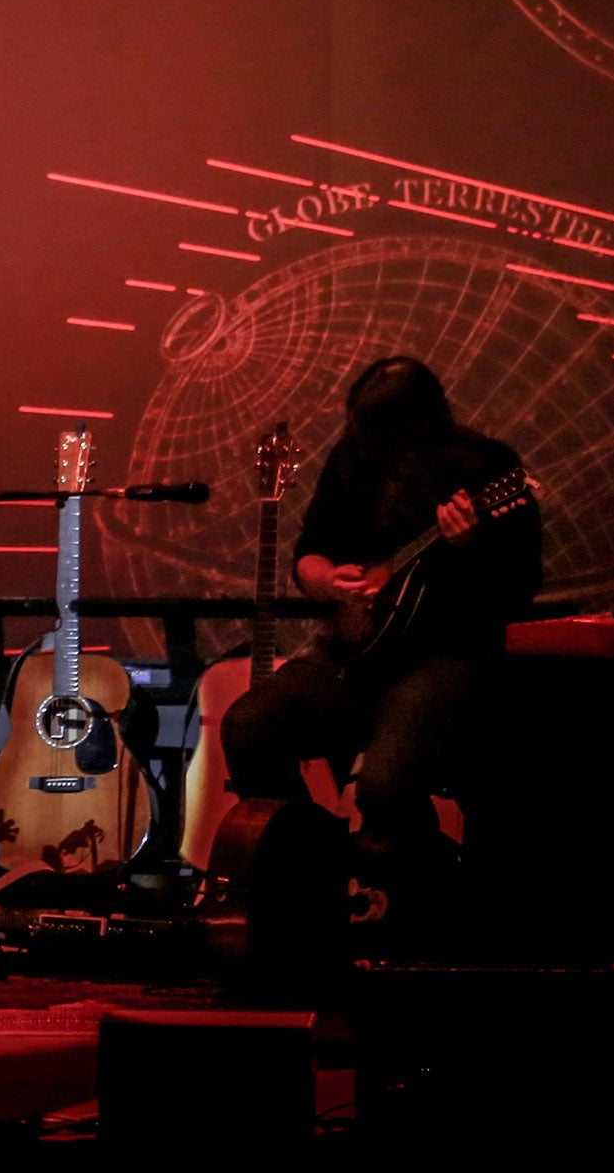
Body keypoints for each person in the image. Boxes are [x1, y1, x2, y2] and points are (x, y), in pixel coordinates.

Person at [220, 356, 541, 932]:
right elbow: (309, 554)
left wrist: (469, 547)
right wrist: (327, 580)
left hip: (442, 654)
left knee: (387, 788)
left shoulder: (488, 468)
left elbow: (521, 585)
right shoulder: (352, 461)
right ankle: (305, 870)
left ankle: (416, 900)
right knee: (250, 723)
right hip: (353, 651)